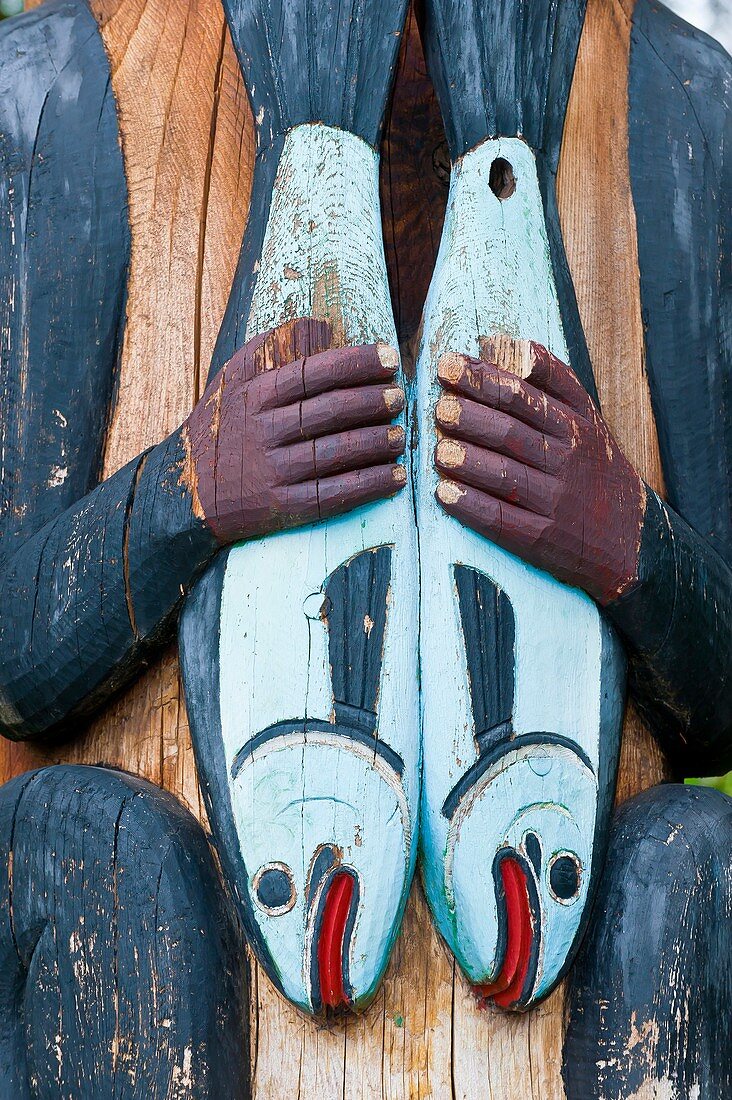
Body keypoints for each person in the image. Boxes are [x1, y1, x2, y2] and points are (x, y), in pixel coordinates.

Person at [0, 0, 729, 1095]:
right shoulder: (49, 86)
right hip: (197, 979)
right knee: (96, 852)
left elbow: (719, 697)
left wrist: (624, 532)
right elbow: (17, 652)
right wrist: (182, 491)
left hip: (554, 989)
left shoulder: (685, 105)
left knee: (695, 861)